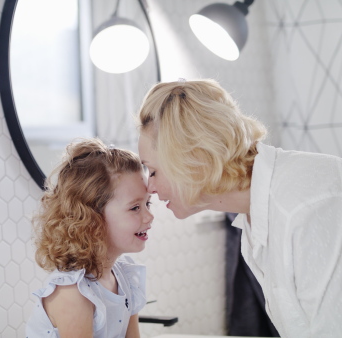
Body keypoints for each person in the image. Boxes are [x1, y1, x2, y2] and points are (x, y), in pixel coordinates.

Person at [137, 78, 342, 337]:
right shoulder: (252, 217)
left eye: (153, 170)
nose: (149, 188)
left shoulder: (306, 208)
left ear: (192, 158)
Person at [26, 138, 153, 337]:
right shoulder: (73, 293)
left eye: (148, 204)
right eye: (135, 207)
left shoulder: (125, 277)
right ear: (92, 218)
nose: (149, 216)